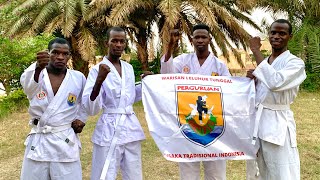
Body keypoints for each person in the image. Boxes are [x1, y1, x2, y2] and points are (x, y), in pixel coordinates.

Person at [161, 24, 230, 180]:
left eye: (203, 37)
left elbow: (230, 93)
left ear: (209, 39)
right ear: (191, 40)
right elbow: (166, 76)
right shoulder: (182, 60)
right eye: (196, 37)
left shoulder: (219, 66)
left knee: (216, 173)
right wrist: (171, 47)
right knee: (188, 172)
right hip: (188, 122)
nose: (200, 40)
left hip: (213, 123)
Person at [82, 26, 152, 180]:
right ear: (107, 42)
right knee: (105, 172)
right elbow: (91, 106)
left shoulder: (128, 68)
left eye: (122, 41)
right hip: (108, 127)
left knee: (134, 174)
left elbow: (129, 97)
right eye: (114, 41)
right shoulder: (96, 70)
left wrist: (145, 83)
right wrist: (99, 80)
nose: (118, 45)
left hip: (130, 127)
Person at [20, 37, 88, 180]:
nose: (60, 57)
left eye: (65, 54)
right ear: (48, 53)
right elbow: (28, 89)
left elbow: (85, 102)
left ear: (69, 56)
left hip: (64, 139)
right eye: (55, 53)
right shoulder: (36, 74)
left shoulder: (78, 78)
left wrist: (81, 119)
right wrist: (38, 67)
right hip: (40, 139)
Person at [247, 19, 306, 180]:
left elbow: (275, 82)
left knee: (281, 171)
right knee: (259, 170)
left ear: (290, 37)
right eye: (273, 32)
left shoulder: (295, 63)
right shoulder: (265, 62)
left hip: (277, 124)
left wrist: (255, 50)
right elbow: (260, 92)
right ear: (269, 34)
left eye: (282, 33)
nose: (276, 36)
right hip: (258, 123)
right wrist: (252, 81)